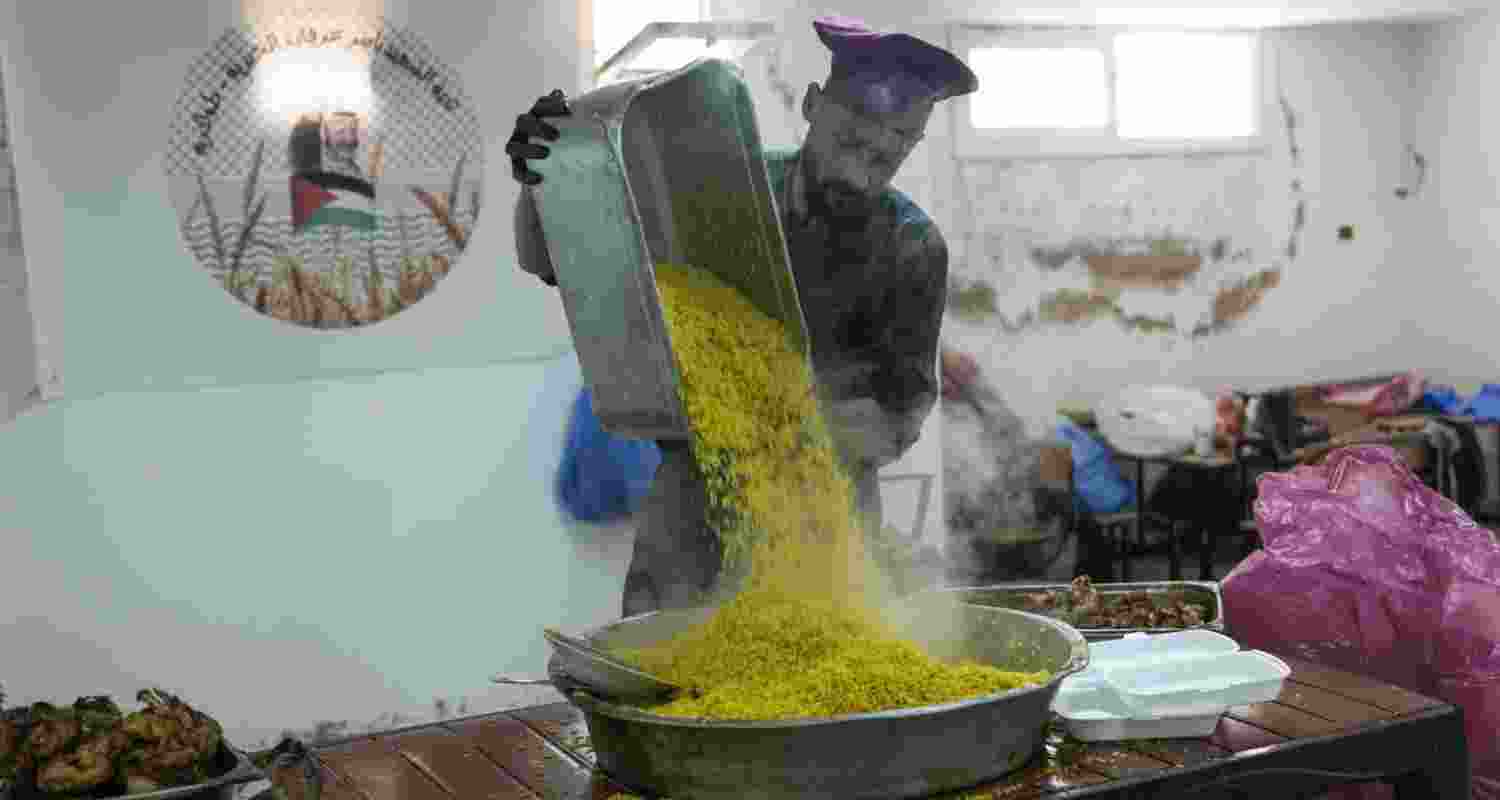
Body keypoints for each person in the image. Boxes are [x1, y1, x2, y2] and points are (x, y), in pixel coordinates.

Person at [507, 16, 978, 617]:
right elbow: (559, 263)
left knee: (817, 688)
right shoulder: (728, 191)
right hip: (693, 494)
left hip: (824, 505)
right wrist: (544, 179)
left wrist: (784, 429)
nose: (862, 171)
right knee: (669, 673)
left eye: (887, 157)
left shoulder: (911, 246)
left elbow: (901, 413)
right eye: (853, 142)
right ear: (813, 105)